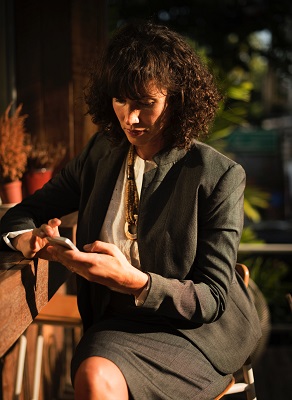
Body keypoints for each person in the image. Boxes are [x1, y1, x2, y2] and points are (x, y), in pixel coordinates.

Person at [0, 21, 261, 400]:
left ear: (177, 98)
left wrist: (134, 281)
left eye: (145, 104)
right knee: (94, 373)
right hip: (118, 327)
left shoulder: (218, 176)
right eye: (120, 100)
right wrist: (24, 239)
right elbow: (19, 214)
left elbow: (212, 299)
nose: (130, 118)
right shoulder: (100, 155)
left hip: (195, 336)